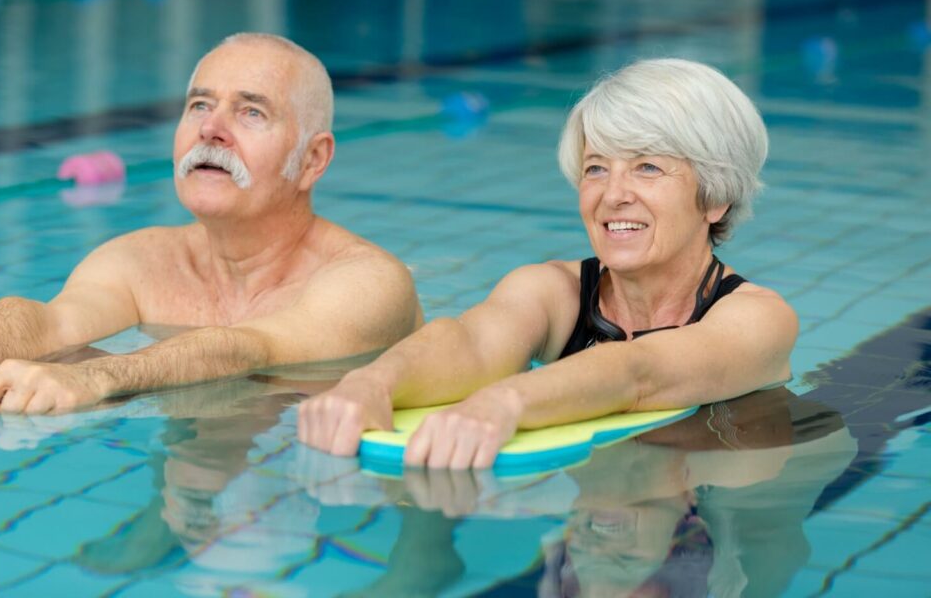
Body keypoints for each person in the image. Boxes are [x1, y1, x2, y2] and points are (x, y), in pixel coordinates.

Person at [298, 58, 798, 469]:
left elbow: (639, 371)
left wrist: (502, 403)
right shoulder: (552, 291)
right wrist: (369, 384)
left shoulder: (757, 319)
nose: (613, 195)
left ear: (716, 199)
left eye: (647, 166)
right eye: (596, 168)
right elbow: (471, 343)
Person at [0, 33, 422, 414]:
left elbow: (247, 346)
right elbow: (50, 323)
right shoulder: (141, 258)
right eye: (200, 104)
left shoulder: (369, 282)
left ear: (312, 160)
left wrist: (96, 377)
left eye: (251, 113)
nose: (210, 129)